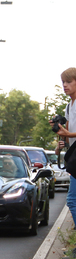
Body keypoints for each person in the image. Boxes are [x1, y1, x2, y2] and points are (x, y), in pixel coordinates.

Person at [53, 67, 76, 226]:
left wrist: (69, 135)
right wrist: (59, 129)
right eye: (63, 82)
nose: (65, 85)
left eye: (69, 81)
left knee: (72, 200)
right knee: (73, 201)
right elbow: (66, 132)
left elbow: (71, 133)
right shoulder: (69, 106)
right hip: (74, 154)